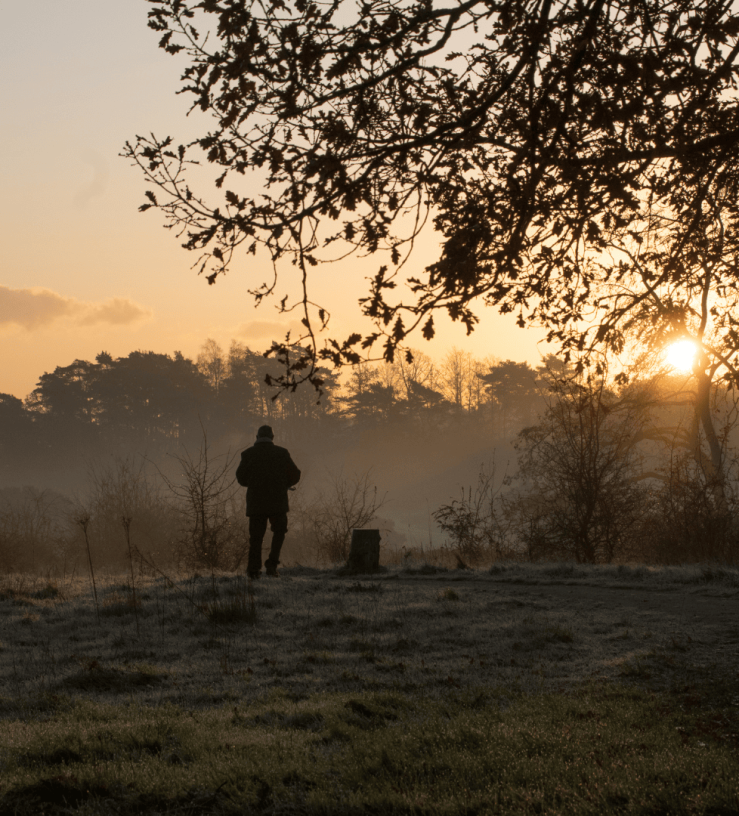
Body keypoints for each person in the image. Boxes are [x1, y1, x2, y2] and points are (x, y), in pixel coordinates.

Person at [235, 425, 301, 578]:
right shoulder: (282, 453)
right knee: (279, 532)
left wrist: (253, 484)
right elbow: (295, 474)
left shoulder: (248, 454)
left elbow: (241, 478)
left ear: (257, 438)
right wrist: (285, 484)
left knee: (256, 537)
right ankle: (272, 565)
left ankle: (253, 570)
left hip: (256, 503)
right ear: (272, 437)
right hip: (277, 502)